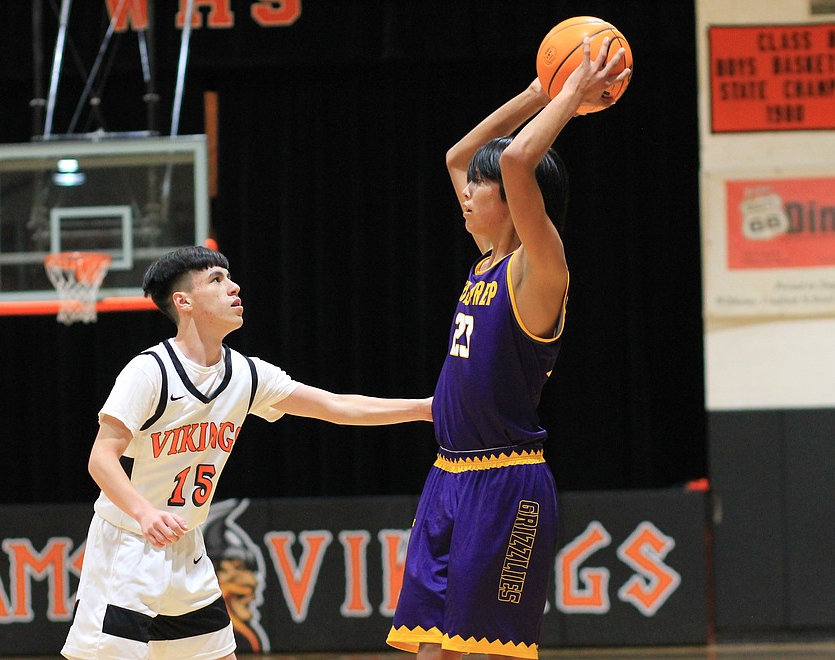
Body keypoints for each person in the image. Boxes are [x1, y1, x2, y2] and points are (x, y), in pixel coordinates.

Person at [61, 245, 432, 660]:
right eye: (216, 280)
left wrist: (423, 409)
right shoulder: (149, 371)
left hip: (185, 543)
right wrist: (144, 513)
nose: (234, 286)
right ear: (183, 301)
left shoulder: (247, 374)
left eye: (229, 277)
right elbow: (101, 458)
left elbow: (336, 406)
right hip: (127, 544)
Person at [386, 37, 630, 660]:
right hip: (448, 474)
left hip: (506, 483)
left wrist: (573, 95)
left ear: (519, 201)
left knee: (490, 653)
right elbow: (459, 155)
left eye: (483, 186)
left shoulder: (539, 270)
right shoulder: (486, 264)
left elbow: (519, 160)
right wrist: (536, 93)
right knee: (429, 649)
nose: (468, 191)